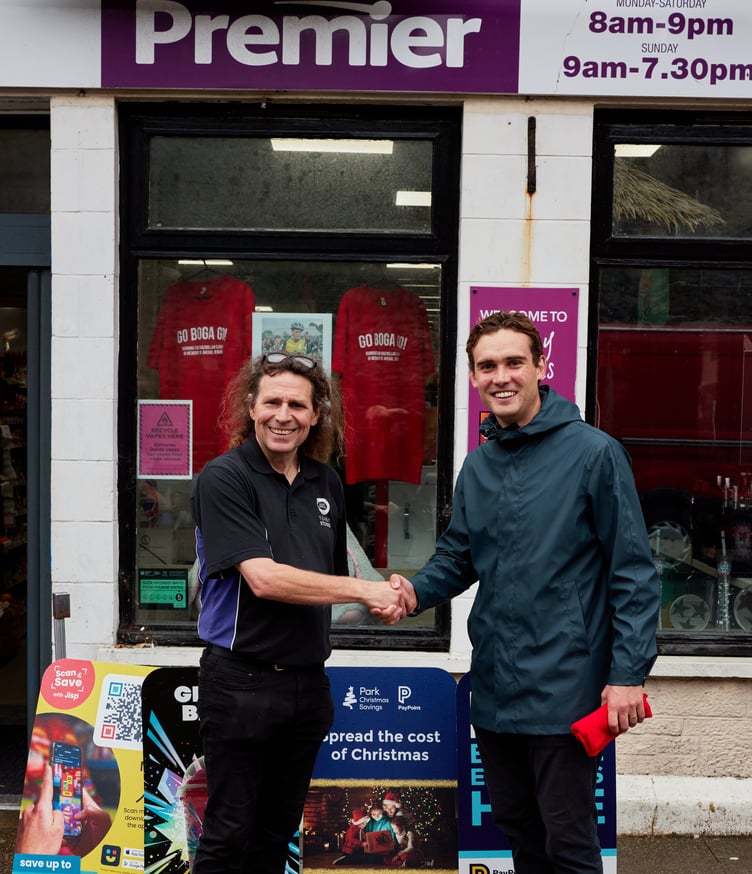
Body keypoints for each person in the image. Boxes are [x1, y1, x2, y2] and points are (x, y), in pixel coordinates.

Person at [391, 311, 659, 874]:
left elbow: (633, 573)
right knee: (517, 825)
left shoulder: (594, 453)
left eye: (515, 362)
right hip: (494, 688)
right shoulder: (479, 465)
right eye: (487, 366)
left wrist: (628, 675)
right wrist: (412, 593)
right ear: (473, 376)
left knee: (568, 837)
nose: (501, 376)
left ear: (542, 366)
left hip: (567, 686)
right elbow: (458, 557)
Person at [190, 351, 408, 874]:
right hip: (241, 682)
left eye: (297, 404)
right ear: (251, 406)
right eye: (272, 402)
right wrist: (366, 590)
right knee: (227, 834)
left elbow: (326, 585)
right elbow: (264, 579)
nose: (283, 414)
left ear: (315, 416)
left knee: (278, 832)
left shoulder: (326, 483)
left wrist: (380, 600)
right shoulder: (224, 478)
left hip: (307, 685)